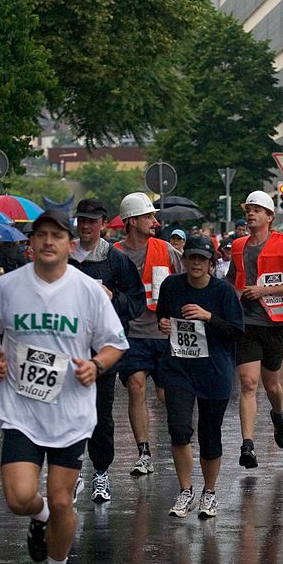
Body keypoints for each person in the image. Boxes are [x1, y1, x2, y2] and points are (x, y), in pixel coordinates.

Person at [0, 210, 128, 564]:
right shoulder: (7, 288)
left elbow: (115, 343)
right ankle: (39, 518)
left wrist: (96, 365)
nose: (47, 241)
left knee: (63, 501)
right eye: (40, 235)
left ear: (69, 244)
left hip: (70, 413)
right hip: (22, 409)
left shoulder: (87, 291)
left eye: (56, 236)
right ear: (30, 244)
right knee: (19, 498)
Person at [156, 234, 244, 518]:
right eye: (191, 257)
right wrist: (164, 324)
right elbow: (162, 316)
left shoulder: (223, 292)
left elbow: (236, 331)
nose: (196, 263)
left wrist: (208, 317)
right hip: (179, 369)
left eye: (202, 259)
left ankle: (209, 492)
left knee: (209, 435)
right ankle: (185, 491)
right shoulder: (171, 285)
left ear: (210, 264)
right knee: (179, 429)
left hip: (214, 370)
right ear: (184, 260)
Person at [69, 197, 145, 504]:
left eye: (92, 221)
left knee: (100, 414)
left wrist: (112, 296)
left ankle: (100, 472)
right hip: (69, 350)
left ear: (103, 223)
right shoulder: (64, 256)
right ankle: (72, 473)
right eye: (82, 221)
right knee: (70, 414)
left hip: (103, 352)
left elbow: (136, 302)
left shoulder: (116, 260)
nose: (86, 226)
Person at [227, 190, 283, 469]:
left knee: (271, 385)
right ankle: (248, 445)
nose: (251, 214)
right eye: (248, 209)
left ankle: (278, 416)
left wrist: (264, 290)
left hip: (275, 325)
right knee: (248, 383)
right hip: (247, 323)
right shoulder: (238, 246)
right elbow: (231, 280)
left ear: (270, 217)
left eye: (257, 210)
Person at [115, 192, 183, 475]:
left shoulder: (166, 250)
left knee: (168, 394)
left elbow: (188, 280)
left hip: (163, 334)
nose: (154, 222)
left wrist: (178, 318)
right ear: (131, 221)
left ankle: (181, 439)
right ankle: (143, 452)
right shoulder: (114, 254)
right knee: (136, 385)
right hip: (131, 334)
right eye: (148, 217)